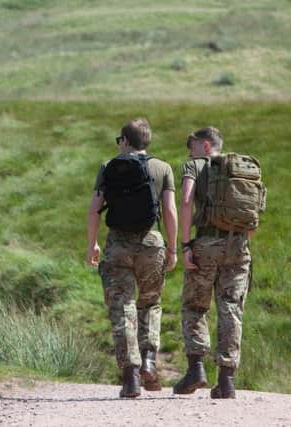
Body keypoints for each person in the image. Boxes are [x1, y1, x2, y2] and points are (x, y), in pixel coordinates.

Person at [87, 118, 178, 398]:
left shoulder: (108, 166)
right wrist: (173, 249)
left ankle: (131, 378)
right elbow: (171, 211)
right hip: (152, 243)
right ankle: (149, 360)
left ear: (125, 141)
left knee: (122, 307)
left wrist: (93, 244)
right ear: (146, 141)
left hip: (117, 245)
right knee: (150, 302)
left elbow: (94, 209)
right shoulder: (162, 168)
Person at [173, 127, 262, 399]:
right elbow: (254, 214)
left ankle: (196, 369)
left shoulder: (195, 165)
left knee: (195, 305)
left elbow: (187, 201)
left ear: (206, 145)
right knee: (231, 309)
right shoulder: (245, 170)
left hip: (207, 244)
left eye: (192, 145)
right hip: (239, 246)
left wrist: (186, 243)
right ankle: (226, 380)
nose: (190, 151)